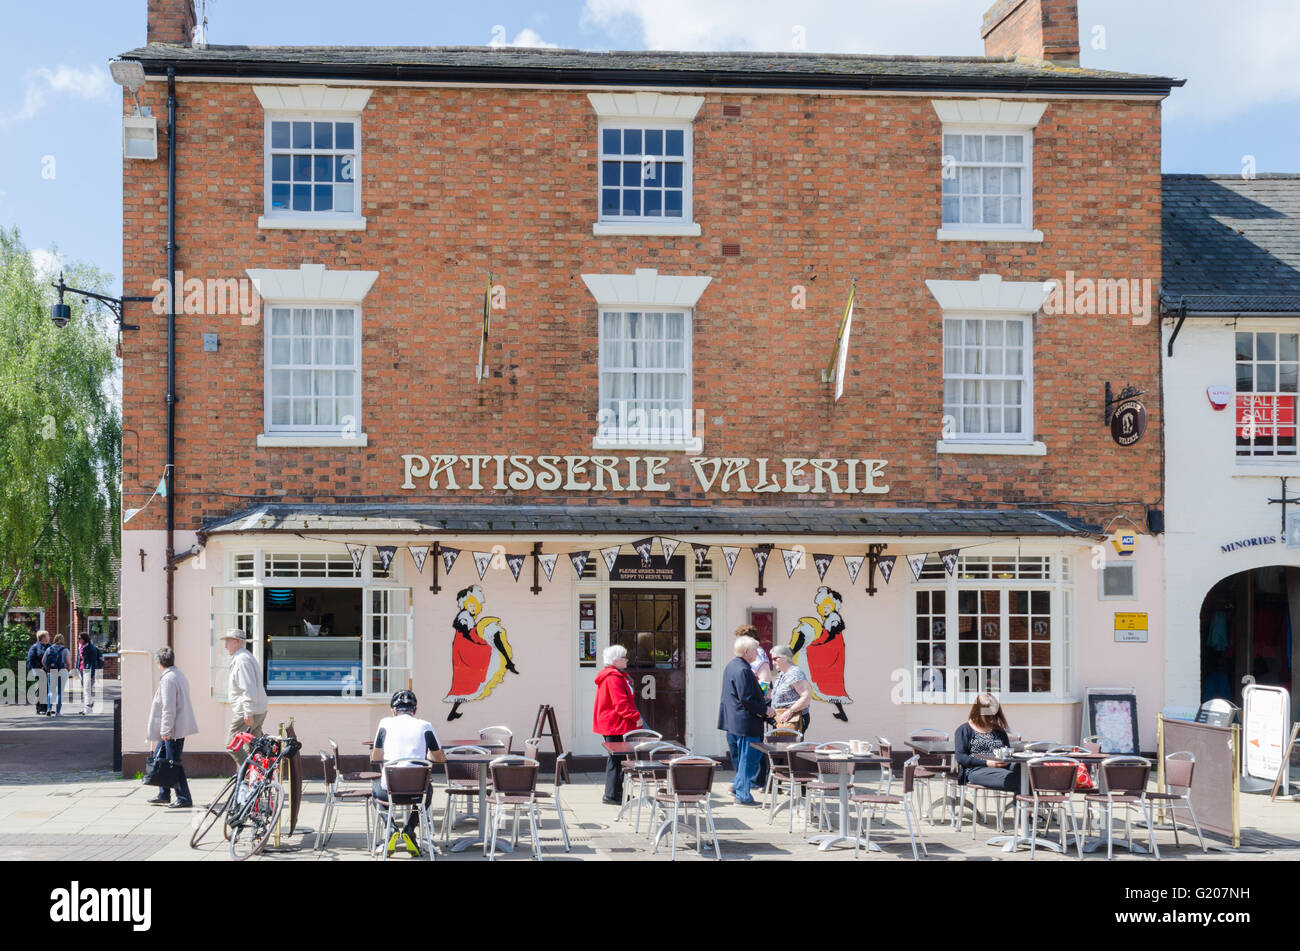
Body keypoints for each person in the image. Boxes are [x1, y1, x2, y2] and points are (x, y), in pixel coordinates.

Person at [371, 689, 444, 857]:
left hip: (390, 791)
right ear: (415, 710)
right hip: (418, 792)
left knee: (375, 791)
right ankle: (410, 829)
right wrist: (425, 755)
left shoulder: (384, 723)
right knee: (429, 790)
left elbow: (376, 757)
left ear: (393, 710)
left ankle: (391, 828)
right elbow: (440, 758)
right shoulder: (425, 726)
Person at [717, 633, 773, 806]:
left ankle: (738, 787)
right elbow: (747, 698)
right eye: (755, 650)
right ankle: (742, 795)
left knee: (746, 759)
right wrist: (766, 710)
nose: (757, 653)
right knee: (749, 759)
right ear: (747, 651)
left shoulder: (732, 666)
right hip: (746, 723)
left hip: (735, 722)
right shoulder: (743, 670)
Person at [592, 644, 645, 805]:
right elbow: (620, 704)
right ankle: (611, 794)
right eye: (623, 657)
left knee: (619, 759)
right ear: (615, 660)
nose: (626, 659)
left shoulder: (616, 676)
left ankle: (617, 792)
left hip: (615, 723)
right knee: (616, 760)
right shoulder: (613, 678)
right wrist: (636, 716)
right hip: (615, 724)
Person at [145, 646, 198, 808]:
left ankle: (184, 798)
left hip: (172, 729)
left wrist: (165, 730)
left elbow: (169, 707)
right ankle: (164, 793)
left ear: (159, 662)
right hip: (175, 727)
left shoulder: (168, 679)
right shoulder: (178, 675)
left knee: (173, 763)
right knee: (161, 758)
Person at [220, 629, 268, 772]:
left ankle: (247, 773)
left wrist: (247, 711)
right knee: (254, 746)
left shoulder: (241, 660)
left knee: (232, 744)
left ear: (236, 642)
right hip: (258, 708)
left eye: (228, 642)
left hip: (247, 710)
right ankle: (260, 777)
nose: (225, 646)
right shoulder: (246, 657)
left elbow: (248, 687)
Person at [952, 692, 1018, 793]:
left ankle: (1027, 807)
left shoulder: (998, 731)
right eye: (988, 715)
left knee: (1026, 773)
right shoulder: (964, 730)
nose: (991, 718)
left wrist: (1007, 759)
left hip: (1003, 767)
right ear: (978, 712)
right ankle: (1026, 807)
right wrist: (987, 763)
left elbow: (1006, 750)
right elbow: (961, 757)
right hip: (977, 770)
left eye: (994, 715)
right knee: (1015, 779)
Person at [769, 644, 813, 734]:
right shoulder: (782, 673)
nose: (773, 662)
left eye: (775, 659)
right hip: (782, 717)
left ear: (784, 658)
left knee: (789, 747)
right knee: (781, 747)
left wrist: (790, 711)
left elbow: (806, 696)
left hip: (792, 719)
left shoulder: (795, 673)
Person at [42, 634, 72, 717]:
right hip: (62, 671)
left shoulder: (49, 649)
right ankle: (58, 712)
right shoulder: (65, 650)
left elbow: (43, 661)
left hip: (51, 671)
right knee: (60, 692)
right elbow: (68, 663)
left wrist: (48, 669)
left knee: (51, 691)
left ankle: (49, 709)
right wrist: (68, 671)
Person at [75, 632, 104, 716]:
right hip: (81, 670)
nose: (78, 640)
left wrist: (91, 675)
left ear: (84, 639)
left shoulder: (91, 649)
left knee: (87, 690)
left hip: (88, 671)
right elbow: (78, 659)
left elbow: (93, 663)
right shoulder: (80, 647)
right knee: (85, 689)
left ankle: (87, 709)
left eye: (79, 638)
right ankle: (90, 704)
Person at [26, 631, 49, 715]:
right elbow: (31, 660)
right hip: (38, 671)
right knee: (40, 689)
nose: (49, 637)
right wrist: (40, 667)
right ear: (42, 637)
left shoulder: (49, 646)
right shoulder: (35, 647)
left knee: (47, 689)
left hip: (47, 671)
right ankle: (39, 708)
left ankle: (47, 708)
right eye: (47, 636)